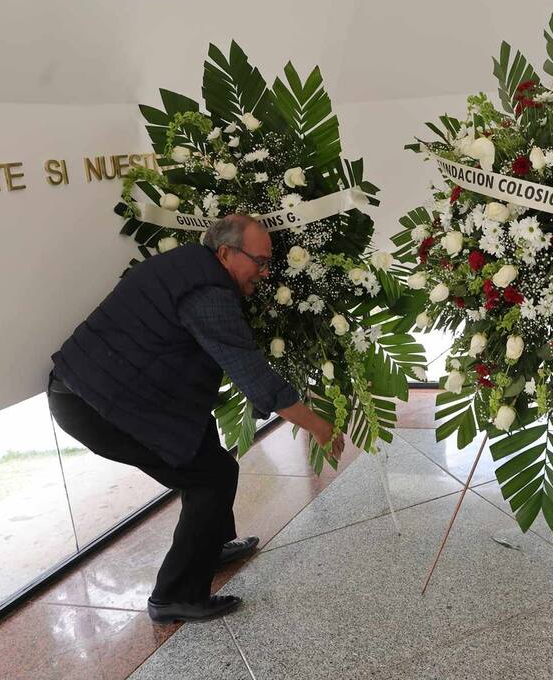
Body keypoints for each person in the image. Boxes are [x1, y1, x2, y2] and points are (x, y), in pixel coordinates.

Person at [47, 214, 341, 623]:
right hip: (96, 405)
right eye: (260, 260)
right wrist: (318, 425)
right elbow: (249, 370)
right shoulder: (207, 293)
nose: (265, 271)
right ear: (226, 252)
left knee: (198, 443)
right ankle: (173, 596)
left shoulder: (193, 265)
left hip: (120, 391)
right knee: (212, 476)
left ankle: (209, 548)